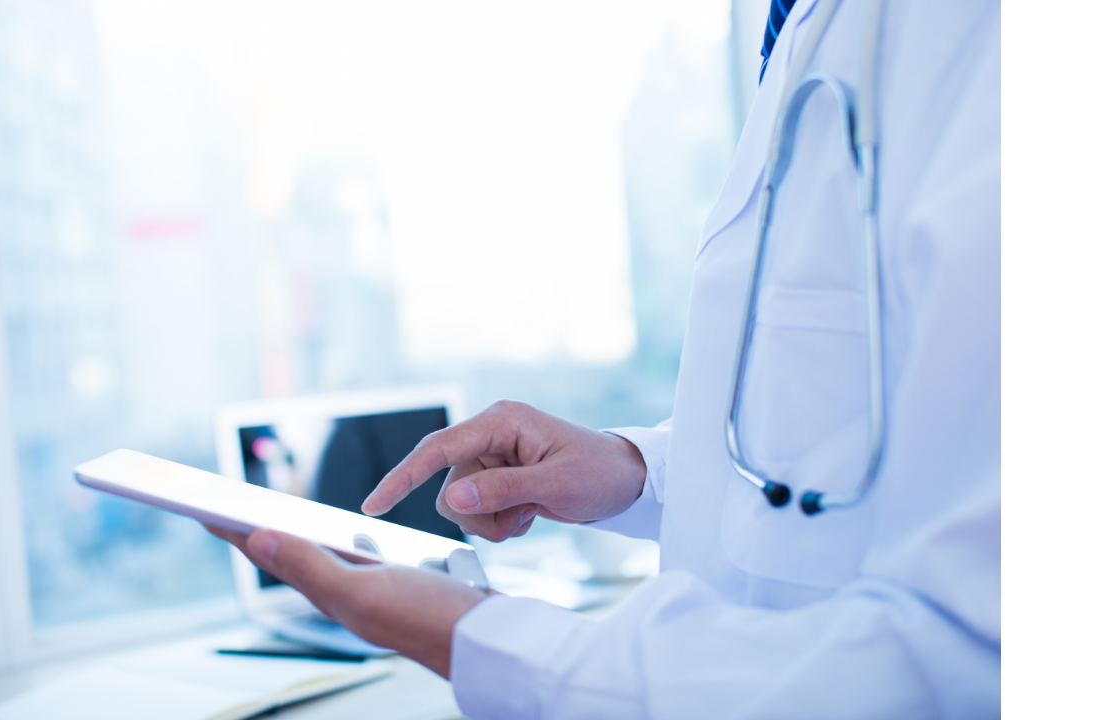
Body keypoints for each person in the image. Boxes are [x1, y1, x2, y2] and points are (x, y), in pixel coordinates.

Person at [207, 0, 1000, 716]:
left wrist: (480, 638)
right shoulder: (808, 21)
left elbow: (976, 653)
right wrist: (634, 470)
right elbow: (832, 418)